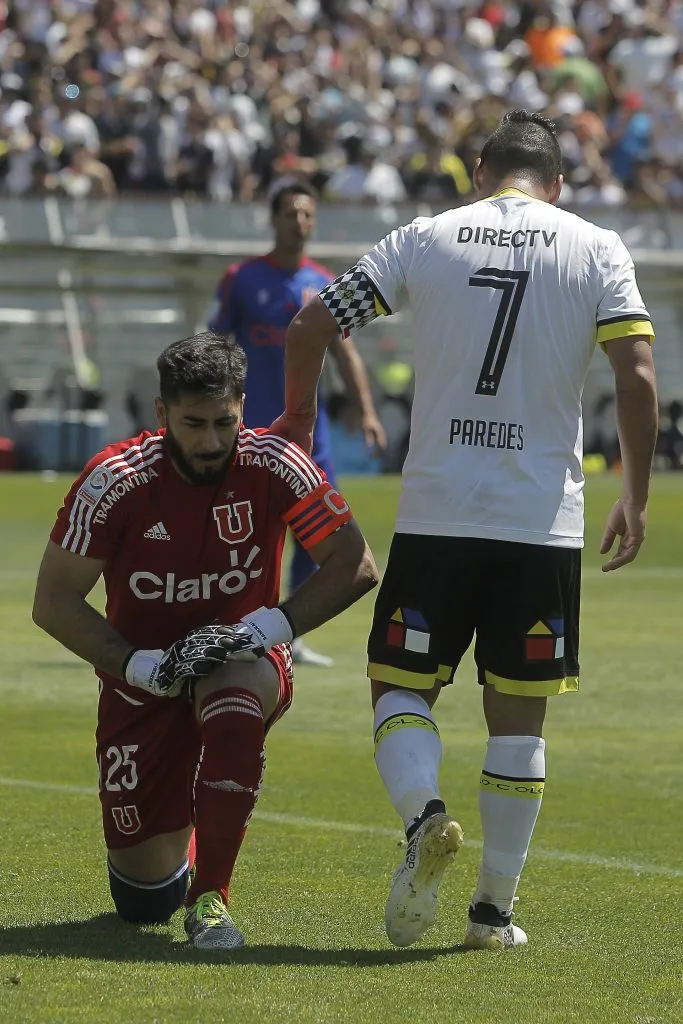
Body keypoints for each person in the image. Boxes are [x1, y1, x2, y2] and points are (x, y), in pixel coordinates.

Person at [277, 110, 658, 950]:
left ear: (479, 169)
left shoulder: (423, 237)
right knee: (517, 719)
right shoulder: (597, 247)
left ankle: (423, 819)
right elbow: (634, 373)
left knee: (400, 690)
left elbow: (310, 326)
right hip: (541, 523)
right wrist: (633, 492)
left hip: (437, 515)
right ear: (557, 183)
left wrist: (299, 421)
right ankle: (492, 913)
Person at [32, 331, 378, 951]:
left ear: (243, 405)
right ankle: (190, 843)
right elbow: (53, 602)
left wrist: (264, 629)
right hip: (142, 681)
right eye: (194, 424)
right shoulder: (115, 480)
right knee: (143, 901)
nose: (212, 441)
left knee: (233, 693)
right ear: (162, 413)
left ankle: (211, 900)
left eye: (225, 421)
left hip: (243, 653)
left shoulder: (274, 461)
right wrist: (141, 668)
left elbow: (354, 563)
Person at [208, 178, 386, 667]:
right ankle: (231, 623)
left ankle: (292, 631)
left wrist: (367, 410)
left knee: (317, 528)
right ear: (274, 219)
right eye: (291, 213)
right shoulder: (240, 278)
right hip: (249, 431)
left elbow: (346, 355)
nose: (300, 222)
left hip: (310, 435)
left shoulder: (326, 282)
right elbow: (214, 346)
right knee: (240, 528)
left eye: (308, 214)